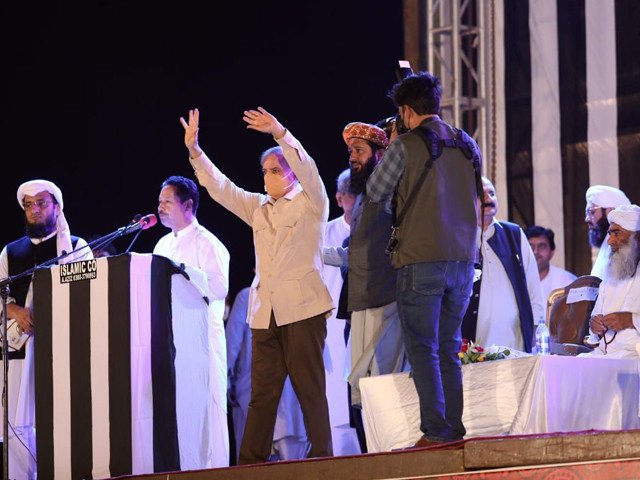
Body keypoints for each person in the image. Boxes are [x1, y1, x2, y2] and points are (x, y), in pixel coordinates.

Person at [180, 107, 334, 464]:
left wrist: (280, 132)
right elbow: (221, 188)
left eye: (276, 170)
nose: (268, 176)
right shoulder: (258, 207)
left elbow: (308, 166)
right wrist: (196, 152)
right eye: (265, 171)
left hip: (302, 310)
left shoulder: (313, 203)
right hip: (265, 314)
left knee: (309, 389)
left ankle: (324, 459)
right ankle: (250, 463)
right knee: (261, 394)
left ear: (292, 175)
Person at [367, 71, 482, 447]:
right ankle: (455, 429)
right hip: (463, 261)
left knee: (423, 349)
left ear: (405, 111)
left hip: (419, 260)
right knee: (449, 346)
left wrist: (393, 146)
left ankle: (436, 432)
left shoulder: (405, 145)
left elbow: (376, 192)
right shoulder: (467, 143)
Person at [0, 179, 91, 479]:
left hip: (62, 350)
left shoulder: (77, 248)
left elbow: (89, 295)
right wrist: (16, 311)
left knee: (60, 424)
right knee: (18, 426)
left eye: (41, 203)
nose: (34, 210)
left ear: (57, 207)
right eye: (29, 206)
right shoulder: (10, 252)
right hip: (19, 352)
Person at [327, 122, 410, 452]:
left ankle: (392, 454)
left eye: (359, 151)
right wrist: (315, 254)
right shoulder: (363, 198)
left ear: (381, 155)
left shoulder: (390, 191)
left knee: (385, 383)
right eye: (350, 152)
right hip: (360, 302)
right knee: (361, 385)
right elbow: (356, 253)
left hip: (386, 297)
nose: (353, 158)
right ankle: (376, 454)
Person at [152, 174, 230, 467]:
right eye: (160, 202)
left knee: (208, 408)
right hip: (172, 342)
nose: (160, 207)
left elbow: (220, 287)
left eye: (167, 202)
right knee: (179, 408)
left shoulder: (208, 243)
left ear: (188, 205)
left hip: (202, 341)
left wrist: (184, 273)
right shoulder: (161, 246)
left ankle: (216, 470)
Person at [226, 285, 309, 465]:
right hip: (290, 402)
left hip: (253, 393)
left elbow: (232, 343)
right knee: (293, 468)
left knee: (253, 467)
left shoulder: (247, 296)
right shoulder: (296, 294)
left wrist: (225, 380)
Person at [462, 176, 545, 353]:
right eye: (481, 194)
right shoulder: (459, 237)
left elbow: (532, 285)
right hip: (472, 340)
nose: (488, 198)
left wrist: (536, 325)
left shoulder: (513, 234)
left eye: (492, 193)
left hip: (514, 337)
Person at [581, 205, 640, 358]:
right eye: (609, 233)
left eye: (616, 233)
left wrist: (631, 320)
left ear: (637, 238)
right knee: (570, 368)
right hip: (605, 354)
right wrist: (594, 325)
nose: (610, 241)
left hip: (634, 356)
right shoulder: (611, 275)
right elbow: (596, 320)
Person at [585, 185, 631, 279]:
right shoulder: (606, 245)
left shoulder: (623, 246)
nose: (587, 219)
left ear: (611, 211)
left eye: (592, 212)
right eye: (587, 213)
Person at [525, 225, 577, 300]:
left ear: (552, 252)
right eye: (530, 247)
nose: (535, 252)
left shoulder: (567, 281)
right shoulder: (515, 282)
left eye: (541, 246)